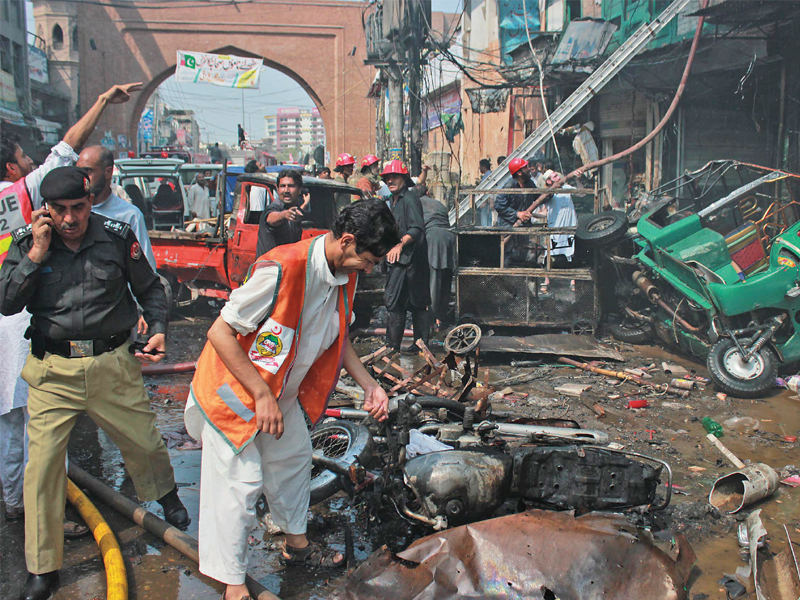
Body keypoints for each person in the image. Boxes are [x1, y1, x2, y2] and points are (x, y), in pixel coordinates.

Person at [184, 199, 399, 600]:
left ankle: (296, 545)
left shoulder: (343, 274)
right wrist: (261, 394)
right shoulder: (281, 269)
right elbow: (219, 334)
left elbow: (339, 335)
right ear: (347, 241)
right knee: (239, 483)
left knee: (292, 463)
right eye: (368, 260)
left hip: (276, 394)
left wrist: (370, 384)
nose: (370, 269)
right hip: (234, 395)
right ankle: (233, 583)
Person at [0, 166, 189, 600]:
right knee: (43, 470)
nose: (70, 219)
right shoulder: (28, 243)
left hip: (111, 364)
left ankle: (167, 496)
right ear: (46, 209)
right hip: (53, 374)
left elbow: (150, 288)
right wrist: (35, 257)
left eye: (79, 208)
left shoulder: (117, 236)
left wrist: (158, 325)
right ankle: (42, 569)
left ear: (91, 202)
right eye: (60, 210)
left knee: (143, 440)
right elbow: (7, 302)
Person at [0, 82, 142, 528]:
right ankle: (43, 508)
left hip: (8, 316)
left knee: (11, 420)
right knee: (39, 427)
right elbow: (67, 147)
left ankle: (16, 500)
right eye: (25, 158)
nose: (31, 162)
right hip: (22, 323)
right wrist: (102, 101)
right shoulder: (18, 196)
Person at [77, 145, 157, 271]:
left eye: (88, 172)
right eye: (79, 172)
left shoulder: (130, 215)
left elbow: (145, 268)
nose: (83, 179)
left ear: (108, 172)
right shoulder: (70, 213)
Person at [382, 160, 430, 353]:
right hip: (405, 261)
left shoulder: (409, 199)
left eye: (394, 177)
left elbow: (417, 228)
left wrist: (400, 245)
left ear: (404, 178)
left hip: (410, 261)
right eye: (387, 177)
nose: (390, 180)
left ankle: (394, 347)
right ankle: (417, 344)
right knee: (411, 301)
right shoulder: (394, 201)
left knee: (395, 302)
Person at [532, 168, 578, 293]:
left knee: (571, 253)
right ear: (548, 181)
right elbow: (543, 212)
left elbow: (581, 193)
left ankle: (573, 280)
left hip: (569, 225)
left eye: (557, 175)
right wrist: (532, 215)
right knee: (550, 254)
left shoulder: (567, 187)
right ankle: (547, 280)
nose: (557, 177)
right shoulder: (548, 194)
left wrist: (578, 179)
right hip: (555, 226)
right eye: (554, 176)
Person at [419, 195, 455, 331]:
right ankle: (441, 318)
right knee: (446, 281)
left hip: (434, 239)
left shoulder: (417, 203)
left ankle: (430, 321)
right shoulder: (438, 203)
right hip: (449, 237)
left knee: (434, 282)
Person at [256, 169, 309, 257]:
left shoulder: (294, 210)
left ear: (299, 190)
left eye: (291, 186)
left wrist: (305, 205)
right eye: (282, 186)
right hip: (269, 267)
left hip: (286, 266)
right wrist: (284, 215)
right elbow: (271, 218)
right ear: (277, 189)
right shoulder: (274, 207)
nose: (286, 190)